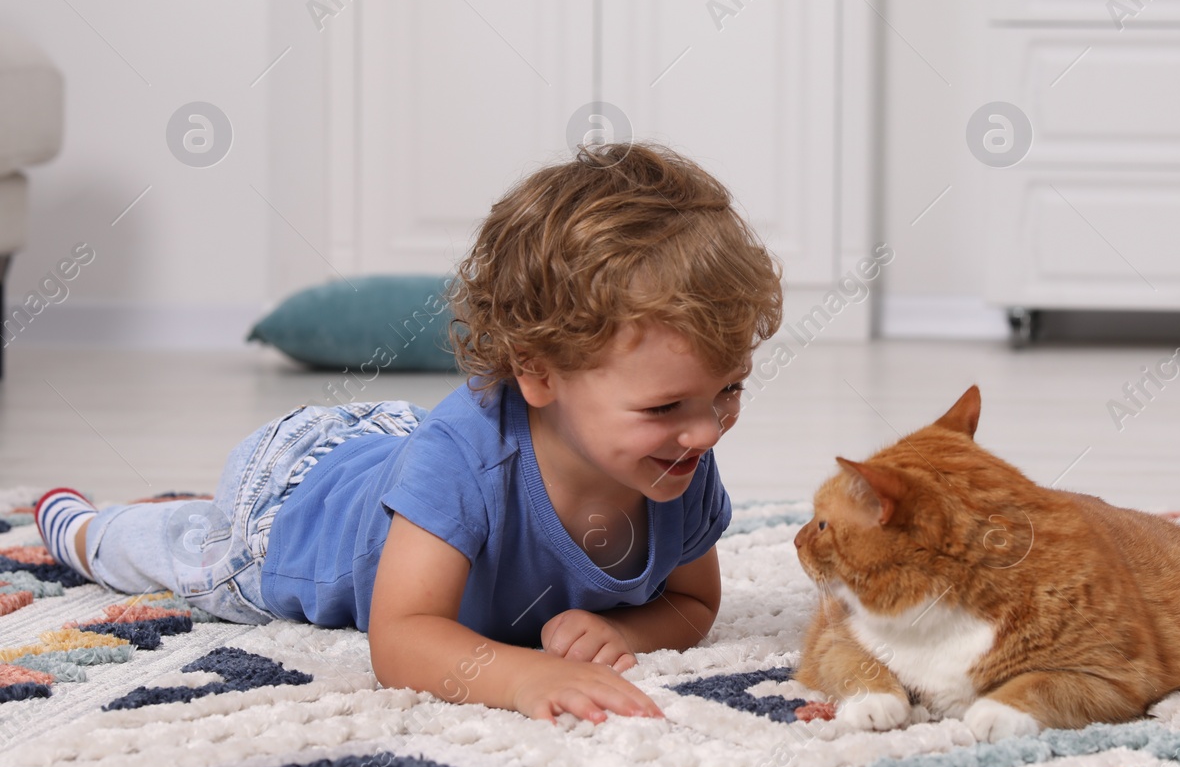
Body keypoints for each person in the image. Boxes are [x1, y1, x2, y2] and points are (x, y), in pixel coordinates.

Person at [35, 141, 784, 724]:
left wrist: (627, 633)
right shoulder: (466, 457)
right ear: (539, 371)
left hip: (395, 444)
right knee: (194, 552)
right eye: (665, 407)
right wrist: (523, 675)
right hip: (290, 500)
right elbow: (402, 636)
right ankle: (86, 529)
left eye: (729, 390)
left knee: (424, 474)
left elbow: (691, 605)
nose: (706, 430)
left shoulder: (676, 460)